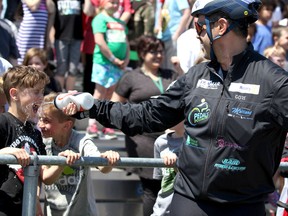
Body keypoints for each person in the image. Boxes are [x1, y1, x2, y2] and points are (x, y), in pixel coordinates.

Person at [58, 0, 288, 215]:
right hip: (189, 200)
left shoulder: (274, 82)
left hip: (244, 205)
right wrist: (91, 106)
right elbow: (146, 115)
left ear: (221, 26)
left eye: (198, 26)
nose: (195, 35)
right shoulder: (196, 76)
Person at [110, 35, 178, 215]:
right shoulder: (131, 77)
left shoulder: (171, 75)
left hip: (170, 138)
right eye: (153, 52)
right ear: (141, 53)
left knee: (171, 188)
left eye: (160, 52)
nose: (158, 55)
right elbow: (115, 106)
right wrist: (130, 124)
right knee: (152, 188)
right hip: (143, 140)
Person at [0, 65, 80, 216]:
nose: (41, 97)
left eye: (42, 92)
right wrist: (6, 152)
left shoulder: (35, 133)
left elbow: (45, 177)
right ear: (14, 94)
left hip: (25, 209)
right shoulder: (3, 122)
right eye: (36, 92)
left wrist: (61, 161)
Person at [37, 92, 120, 216]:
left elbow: (102, 167)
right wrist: (61, 163)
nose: (40, 125)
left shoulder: (81, 141)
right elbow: (45, 178)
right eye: (40, 119)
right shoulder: (43, 142)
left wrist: (109, 158)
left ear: (66, 125)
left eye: (46, 120)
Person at [86, 0, 130, 139]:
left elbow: (126, 42)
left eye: (117, 3)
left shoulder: (120, 22)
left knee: (111, 94)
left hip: (117, 64)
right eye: (112, 2)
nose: (115, 5)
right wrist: (113, 59)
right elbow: (99, 41)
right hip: (103, 62)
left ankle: (106, 124)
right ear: (103, 3)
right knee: (99, 92)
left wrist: (126, 60)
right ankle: (92, 124)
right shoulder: (100, 19)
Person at [151, 121, 184, 216]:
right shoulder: (160, 141)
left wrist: (177, 164)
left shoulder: (197, 141)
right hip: (161, 211)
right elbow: (160, 179)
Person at [52, 0, 83, 91]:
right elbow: (52, 14)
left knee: (73, 69)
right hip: (60, 36)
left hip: (76, 36)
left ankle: (69, 96)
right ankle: (58, 95)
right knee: (61, 68)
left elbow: (87, 11)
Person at [16, 0, 55, 64]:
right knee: (23, 57)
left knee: (39, 56)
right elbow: (33, 7)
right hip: (27, 33)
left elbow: (51, 9)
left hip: (40, 34)